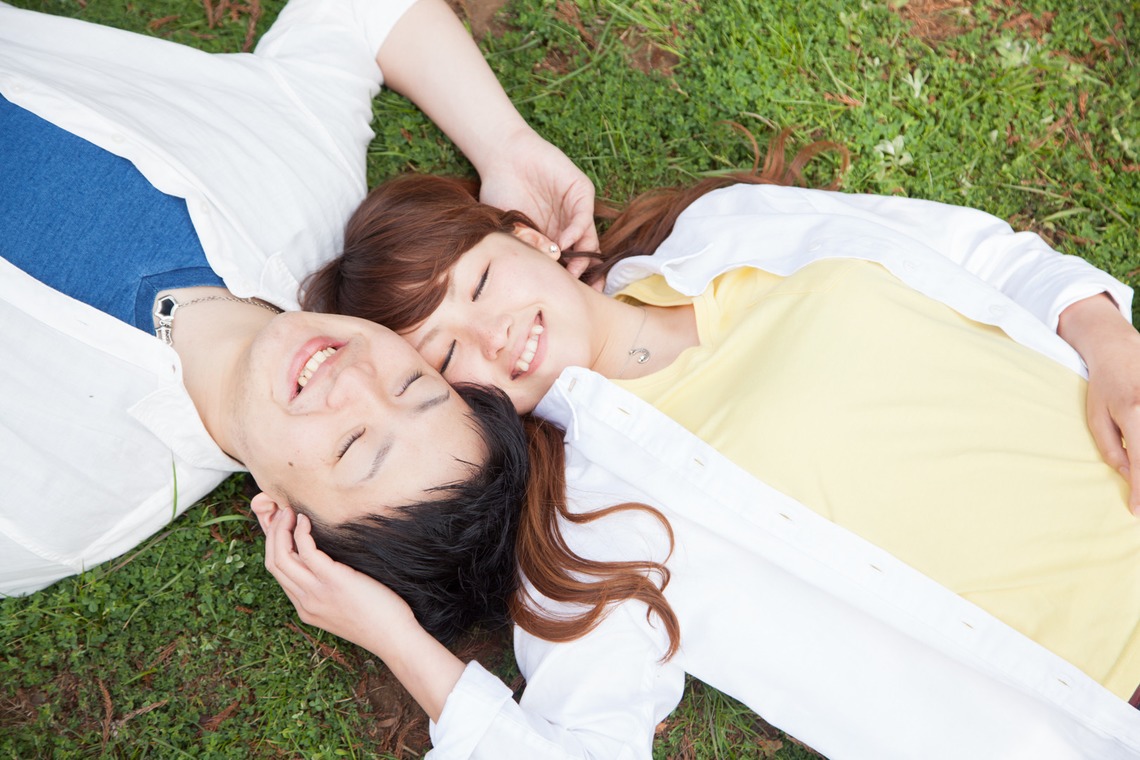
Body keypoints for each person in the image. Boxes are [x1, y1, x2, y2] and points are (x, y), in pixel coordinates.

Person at [259, 138, 1140, 758]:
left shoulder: (732, 228)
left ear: (529, 238)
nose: (493, 336)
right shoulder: (588, 526)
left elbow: (979, 253)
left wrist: (1110, 346)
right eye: (446, 357)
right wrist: (392, 637)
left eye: (482, 281)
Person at [0, 0, 596, 596]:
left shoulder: (49, 516)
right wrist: (505, 144)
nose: (354, 378)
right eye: (414, 383)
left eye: (351, 445)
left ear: (289, 525)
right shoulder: (305, 184)